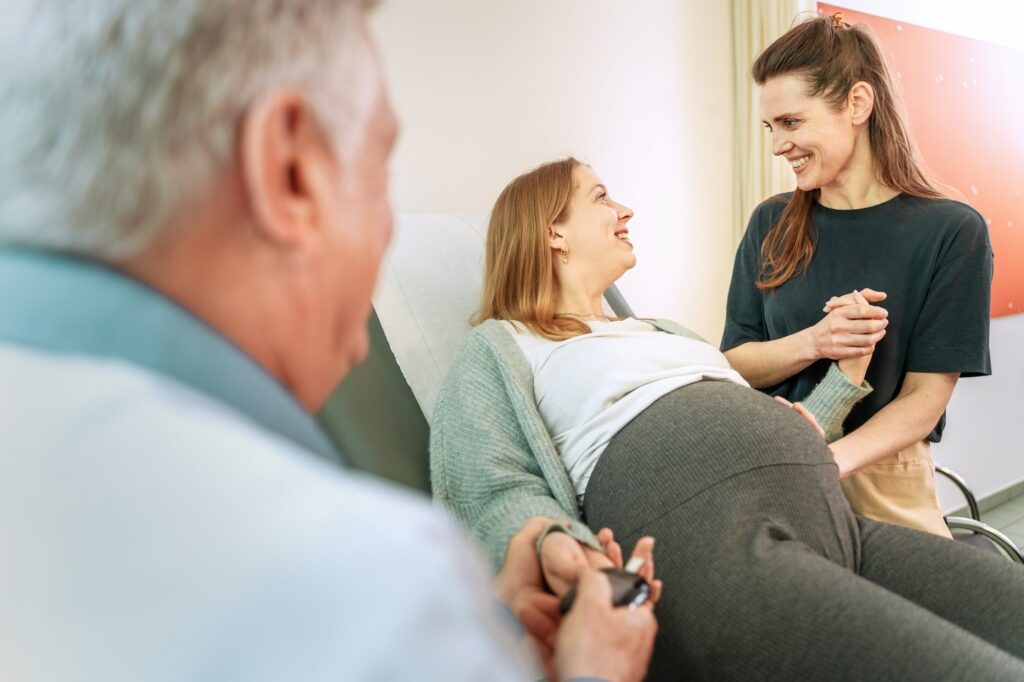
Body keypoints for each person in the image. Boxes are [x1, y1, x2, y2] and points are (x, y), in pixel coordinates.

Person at [0, 2, 656, 680]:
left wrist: (485, 624)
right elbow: (492, 490)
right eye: (378, 173)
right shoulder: (372, 587)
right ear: (288, 173)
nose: (383, 238)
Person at [430, 156, 1024, 681]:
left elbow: (776, 422)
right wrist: (556, 539)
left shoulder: (660, 330)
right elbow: (491, 481)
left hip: (828, 518)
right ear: (552, 231)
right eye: (601, 196)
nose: (625, 209)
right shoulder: (502, 345)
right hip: (714, 541)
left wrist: (845, 374)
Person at [721, 13, 994, 537]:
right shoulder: (770, 223)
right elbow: (737, 364)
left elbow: (925, 397)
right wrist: (817, 341)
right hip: (772, 468)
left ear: (857, 104)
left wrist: (828, 463)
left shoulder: (952, 230)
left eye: (792, 123)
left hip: (880, 474)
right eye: (770, 127)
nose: (778, 145)